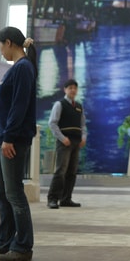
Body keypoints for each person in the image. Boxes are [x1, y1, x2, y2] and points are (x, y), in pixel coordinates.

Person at [0, 26, 38, 261]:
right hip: (0, 137)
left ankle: (23, 246)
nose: (1, 50)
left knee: (14, 193)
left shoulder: (23, 68)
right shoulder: (16, 68)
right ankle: (4, 243)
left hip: (10, 139)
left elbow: (19, 106)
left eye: (0, 46)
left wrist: (9, 138)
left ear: (10, 43)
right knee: (3, 193)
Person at [46, 79, 86, 209]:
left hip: (76, 142)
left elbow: (83, 125)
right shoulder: (60, 104)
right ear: (65, 90)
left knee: (72, 172)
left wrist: (83, 137)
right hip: (64, 142)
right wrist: (63, 138)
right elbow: (52, 123)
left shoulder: (79, 106)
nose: (73, 90)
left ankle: (66, 198)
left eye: (75, 88)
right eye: (70, 88)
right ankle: (52, 199)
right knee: (60, 171)